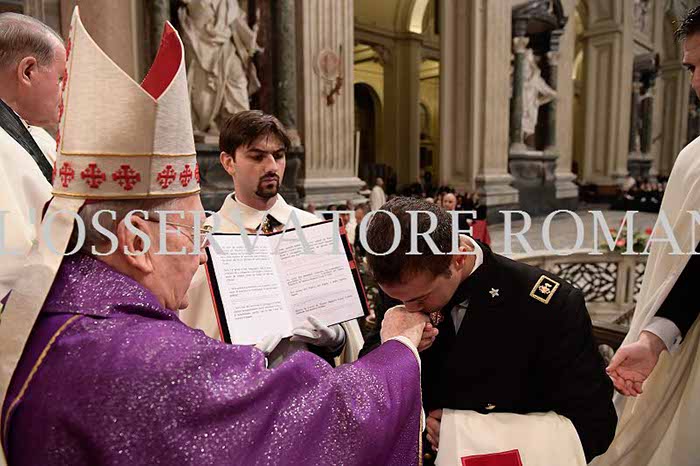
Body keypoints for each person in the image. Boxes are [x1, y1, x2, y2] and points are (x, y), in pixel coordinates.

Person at [0, 11, 425, 465]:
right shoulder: (153, 361)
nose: (202, 253)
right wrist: (398, 353)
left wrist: (336, 338)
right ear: (138, 242)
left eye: (279, 155)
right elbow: (312, 420)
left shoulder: (47, 318)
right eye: (192, 233)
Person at [362, 197, 617, 464]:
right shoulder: (404, 280)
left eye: (421, 299)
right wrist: (395, 348)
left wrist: (463, 432)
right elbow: (367, 383)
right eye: (398, 300)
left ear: (458, 258)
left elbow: (594, 426)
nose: (408, 309)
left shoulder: (548, 305)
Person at [594, 8, 700, 465]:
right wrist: (655, 337)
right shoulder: (694, 153)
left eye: (699, 66)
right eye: (690, 68)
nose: (696, 82)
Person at [181, 110, 365, 367]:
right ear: (228, 162)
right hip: (242, 387)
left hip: (315, 381)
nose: (271, 167)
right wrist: (237, 359)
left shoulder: (315, 229)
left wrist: (337, 340)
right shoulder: (204, 240)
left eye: (278, 156)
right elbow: (193, 332)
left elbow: (349, 332)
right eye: (257, 156)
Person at [0, 13, 65, 299]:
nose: (65, 91)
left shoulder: (36, 135)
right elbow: (11, 265)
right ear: (27, 71)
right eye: (60, 78)